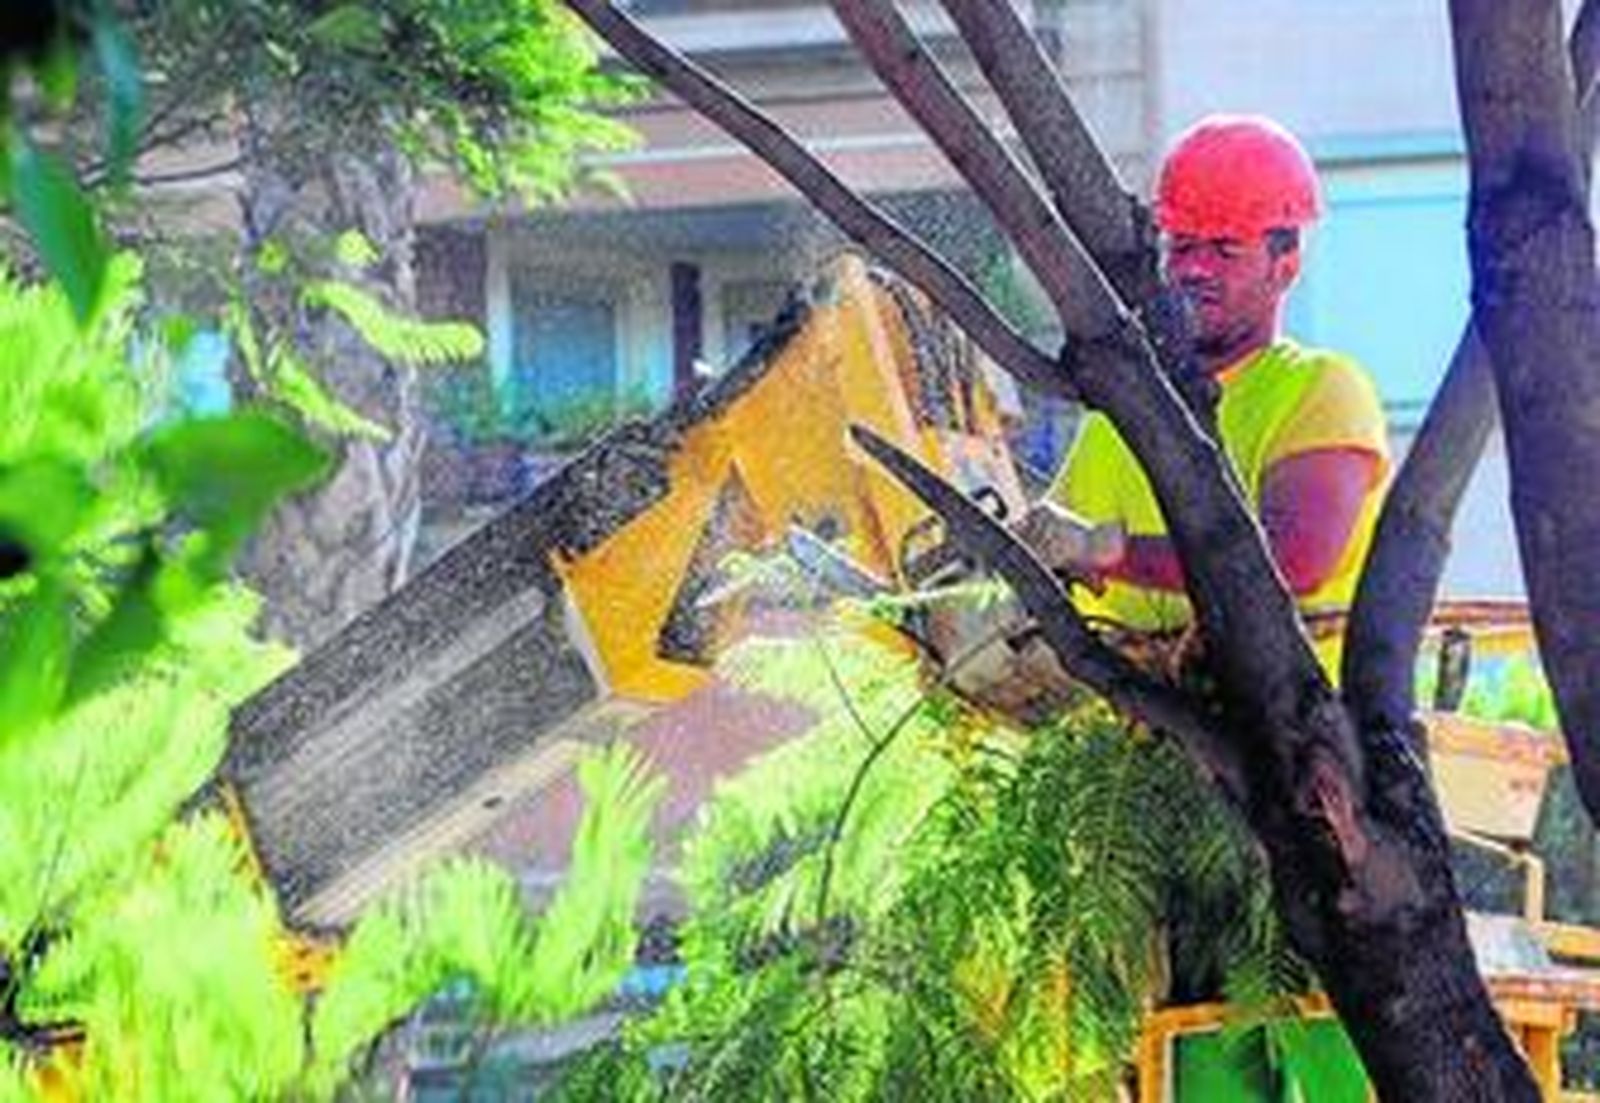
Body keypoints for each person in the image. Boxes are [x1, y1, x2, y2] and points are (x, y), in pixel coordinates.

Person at [1018, 114, 1390, 641]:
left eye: (1225, 249)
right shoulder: (1118, 413)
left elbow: (1294, 560)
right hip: (1135, 718)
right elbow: (1049, 556)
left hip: (1288, 721)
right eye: (1184, 247)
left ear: (1285, 266)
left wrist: (1105, 549)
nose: (1195, 270)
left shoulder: (1321, 389)